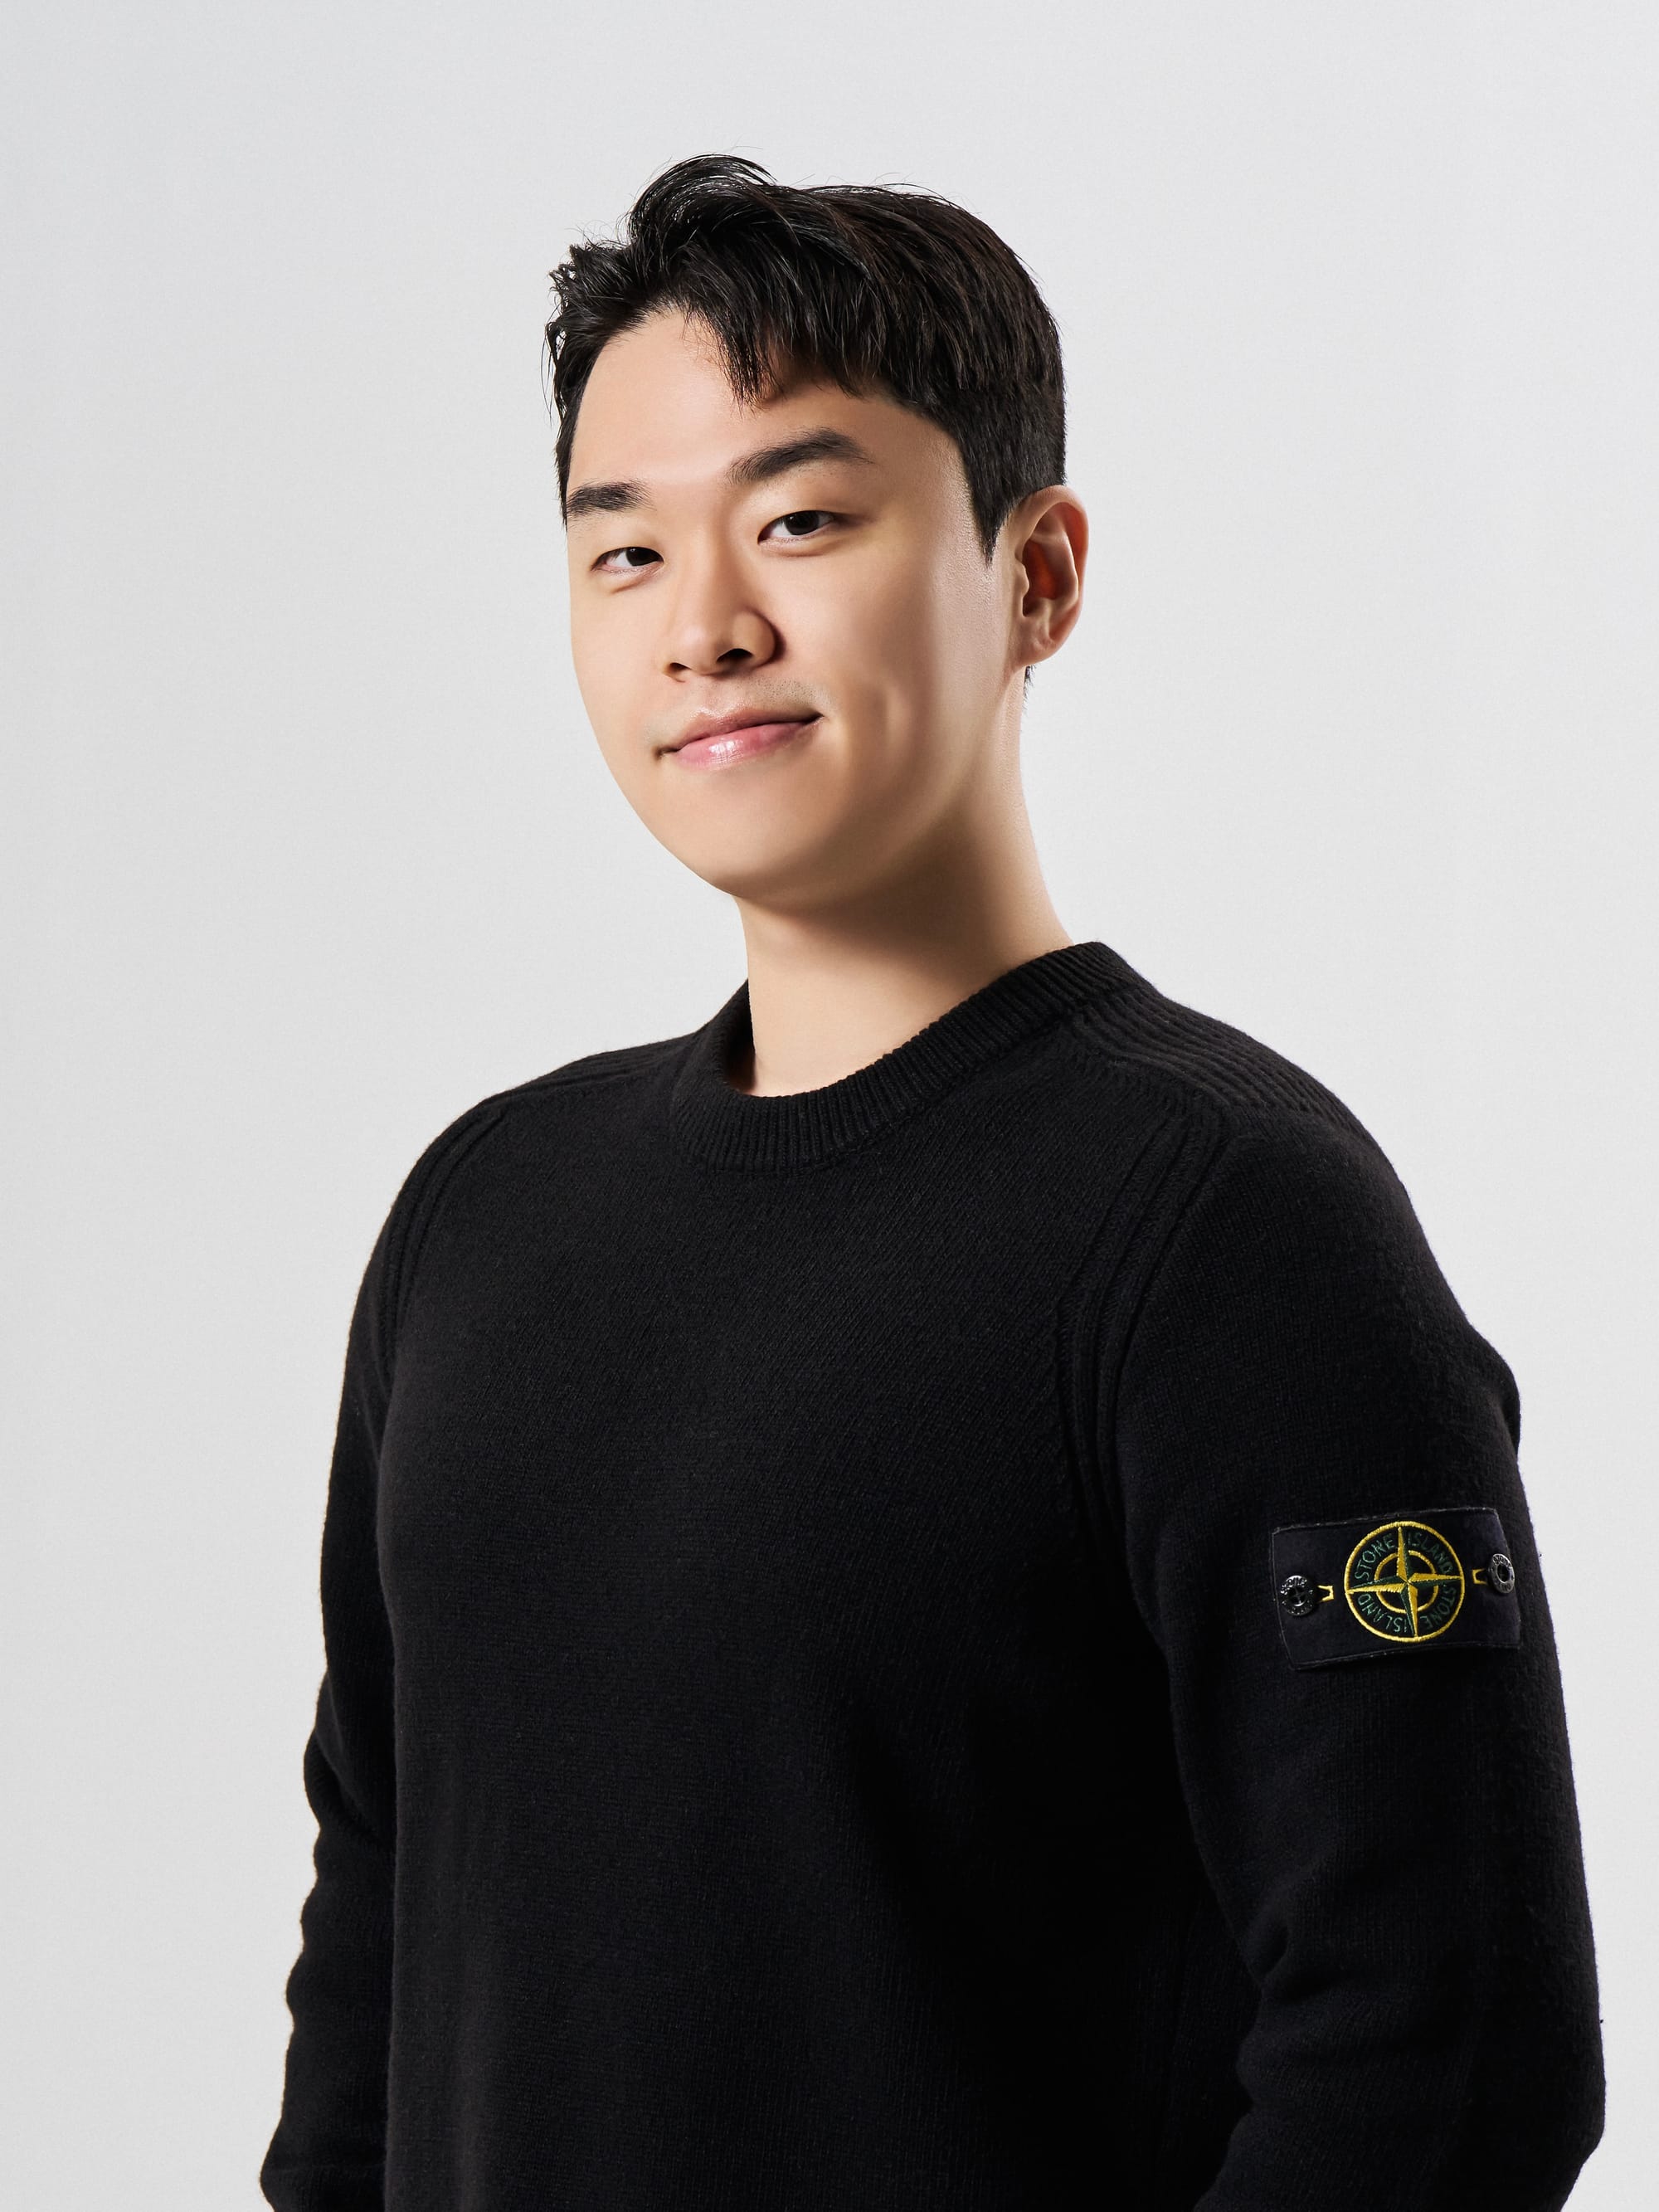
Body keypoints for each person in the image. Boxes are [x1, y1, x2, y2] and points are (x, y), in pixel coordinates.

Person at [260, 154, 1604, 2211]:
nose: (706, 627)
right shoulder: (483, 1216)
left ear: (1036, 574)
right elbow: (375, 1949)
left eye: (802, 521)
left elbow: (1447, 2049)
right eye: (624, 552)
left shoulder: (1231, 1227)